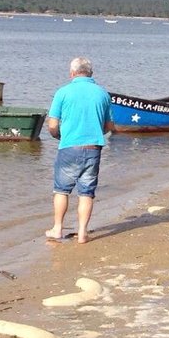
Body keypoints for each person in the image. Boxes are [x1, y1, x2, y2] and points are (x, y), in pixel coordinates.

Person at [45, 57, 114, 244]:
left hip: (69, 146)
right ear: (91, 73)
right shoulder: (103, 94)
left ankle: (57, 228)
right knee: (86, 192)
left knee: (61, 190)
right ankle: (82, 233)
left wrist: (58, 136)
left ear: (72, 73)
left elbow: (52, 125)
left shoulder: (63, 92)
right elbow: (109, 125)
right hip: (93, 148)